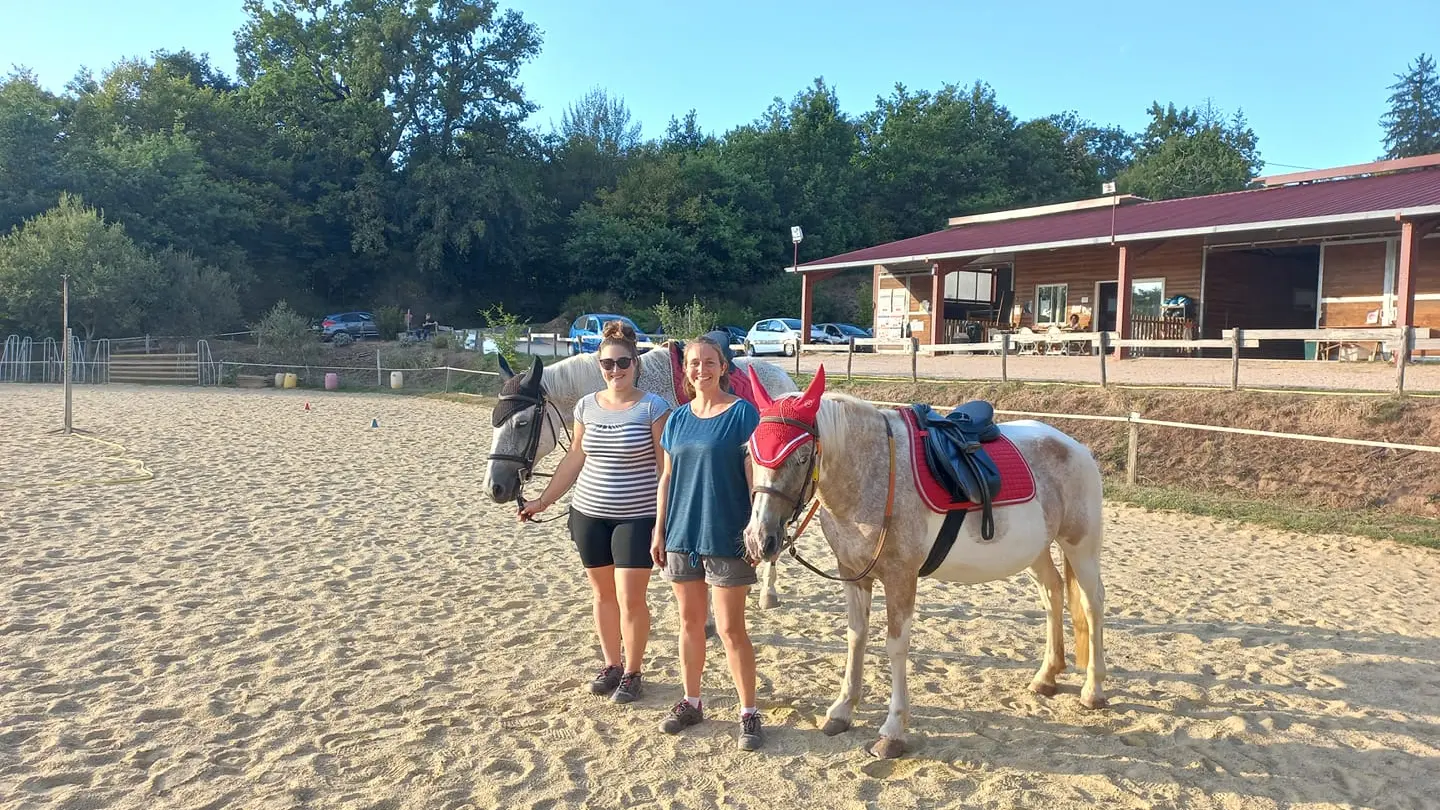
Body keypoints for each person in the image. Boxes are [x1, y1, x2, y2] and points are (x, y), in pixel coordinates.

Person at [519, 321, 669, 704]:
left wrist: (664, 521)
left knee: (631, 598)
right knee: (602, 594)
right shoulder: (586, 405)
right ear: (599, 366)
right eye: (607, 364)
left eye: (622, 363)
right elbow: (575, 457)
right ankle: (611, 664)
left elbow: (664, 468)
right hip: (588, 514)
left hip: (636, 516)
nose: (615, 370)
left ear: (635, 363)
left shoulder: (654, 407)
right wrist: (543, 500)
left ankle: (634, 671)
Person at [651, 334, 765, 751]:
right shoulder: (677, 419)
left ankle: (749, 711)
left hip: (726, 534)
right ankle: (691, 701)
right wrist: (659, 528)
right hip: (682, 534)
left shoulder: (742, 414)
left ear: (724, 367)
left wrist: (755, 526)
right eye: (694, 363)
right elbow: (666, 478)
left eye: (709, 361)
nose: (701, 369)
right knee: (689, 624)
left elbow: (755, 476)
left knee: (733, 629)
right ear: (686, 371)